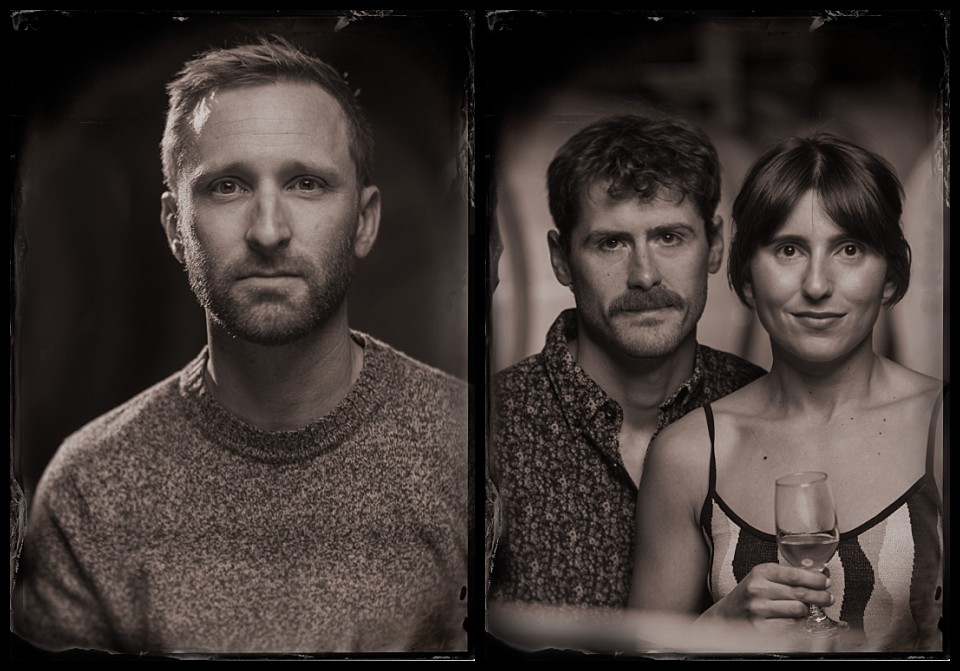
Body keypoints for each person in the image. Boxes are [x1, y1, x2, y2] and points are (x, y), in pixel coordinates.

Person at [12, 37, 468, 656]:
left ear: (364, 221)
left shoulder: (468, 450)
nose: (269, 231)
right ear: (177, 229)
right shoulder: (91, 489)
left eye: (307, 183)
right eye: (227, 186)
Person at [628, 133, 945, 653]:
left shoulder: (939, 427)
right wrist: (714, 628)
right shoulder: (690, 454)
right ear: (748, 279)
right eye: (789, 249)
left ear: (890, 276)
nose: (817, 284)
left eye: (849, 249)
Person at [487, 114, 766, 623]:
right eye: (611, 243)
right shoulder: (488, 428)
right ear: (562, 260)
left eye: (669, 237)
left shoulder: (762, 405)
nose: (643, 275)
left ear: (717, 245)